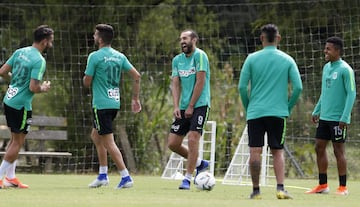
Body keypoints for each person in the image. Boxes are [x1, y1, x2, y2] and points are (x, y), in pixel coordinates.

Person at [238, 24, 303, 199]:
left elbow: (242, 88)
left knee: (254, 151)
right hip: (278, 113)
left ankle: (256, 190)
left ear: (261, 38)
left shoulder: (251, 59)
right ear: (278, 38)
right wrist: (287, 108)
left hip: (256, 113)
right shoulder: (288, 60)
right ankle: (280, 189)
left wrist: (248, 107)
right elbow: (298, 88)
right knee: (277, 151)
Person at [83, 24, 141, 189]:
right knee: (96, 136)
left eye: (95, 35)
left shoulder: (95, 56)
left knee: (108, 142)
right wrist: (135, 98)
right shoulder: (119, 56)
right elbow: (136, 76)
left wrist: (89, 78)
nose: (94, 37)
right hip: (114, 103)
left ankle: (125, 177)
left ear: (100, 39)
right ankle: (103, 175)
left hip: (100, 104)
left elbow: (86, 82)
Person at [0, 25, 54, 188]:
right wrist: (43, 88)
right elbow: (33, 88)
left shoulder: (20, 52)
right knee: (18, 142)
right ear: (44, 41)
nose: (51, 45)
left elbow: (2, 71)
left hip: (9, 100)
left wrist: (15, 83)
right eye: (51, 41)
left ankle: (11, 177)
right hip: (21, 105)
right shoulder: (39, 60)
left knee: (15, 140)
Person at [306, 37, 356, 196]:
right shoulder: (326, 68)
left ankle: (343, 187)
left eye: (328, 49)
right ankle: (323, 185)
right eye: (325, 48)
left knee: (338, 151)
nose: (325, 51)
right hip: (325, 118)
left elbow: (351, 94)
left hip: (338, 119)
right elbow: (325, 92)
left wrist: (345, 116)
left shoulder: (345, 69)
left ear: (337, 51)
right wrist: (317, 110)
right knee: (318, 147)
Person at [167, 29, 211, 190]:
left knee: (193, 139)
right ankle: (199, 163)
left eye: (185, 38)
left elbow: (200, 82)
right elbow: (175, 84)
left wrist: (191, 105)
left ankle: (187, 178)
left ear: (194, 40)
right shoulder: (177, 60)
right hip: (184, 107)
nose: (182, 41)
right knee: (173, 143)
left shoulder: (200, 56)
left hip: (200, 105)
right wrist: (177, 105)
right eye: (181, 39)